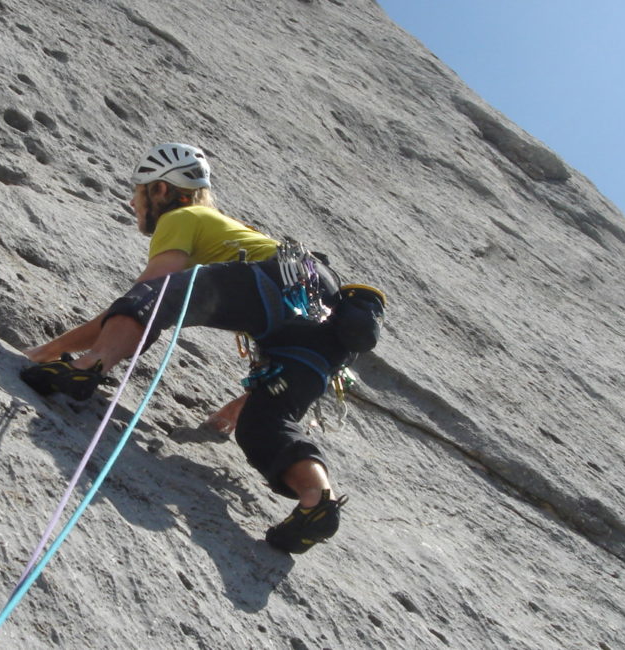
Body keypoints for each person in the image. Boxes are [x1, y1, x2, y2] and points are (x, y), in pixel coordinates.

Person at [20, 143, 386, 554]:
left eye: (138, 192)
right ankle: (317, 502)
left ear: (160, 191)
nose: (133, 202)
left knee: (152, 296)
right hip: (331, 325)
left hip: (275, 283)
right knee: (266, 425)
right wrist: (245, 403)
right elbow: (287, 326)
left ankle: (89, 367)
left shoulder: (184, 216)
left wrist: (50, 351)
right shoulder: (227, 230)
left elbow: (151, 293)